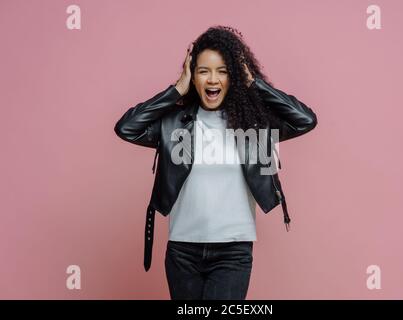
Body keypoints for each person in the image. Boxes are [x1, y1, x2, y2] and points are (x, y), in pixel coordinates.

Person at [114, 25, 318, 300]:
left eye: (223, 71)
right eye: (203, 71)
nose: (213, 79)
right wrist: (176, 90)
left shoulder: (254, 124)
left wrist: (254, 82)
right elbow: (127, 127)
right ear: (193, 77)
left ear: (233, 77)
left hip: (233, 251)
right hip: (182, 251)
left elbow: (305, 120)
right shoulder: (174, 123)